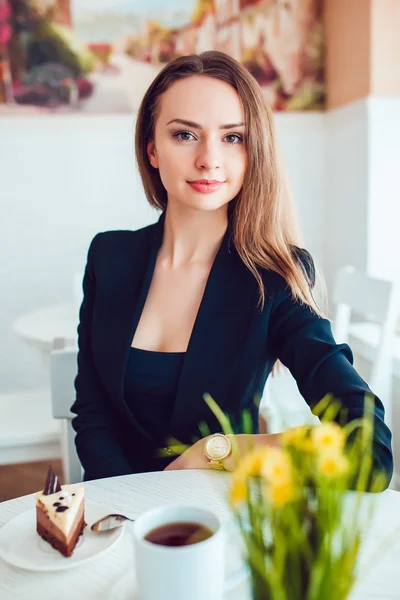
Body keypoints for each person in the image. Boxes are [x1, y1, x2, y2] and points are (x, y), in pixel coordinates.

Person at [71, 50, 393, 486]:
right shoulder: (108, 256)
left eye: (232, 138)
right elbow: (93, 414)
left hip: (218, 523)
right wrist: (126, 509)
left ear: (253, 152)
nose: (208, 159)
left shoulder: (274, 276)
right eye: (185, 135)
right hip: (115, 523)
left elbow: (367, 449)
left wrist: (218, 450)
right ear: (152, 149)